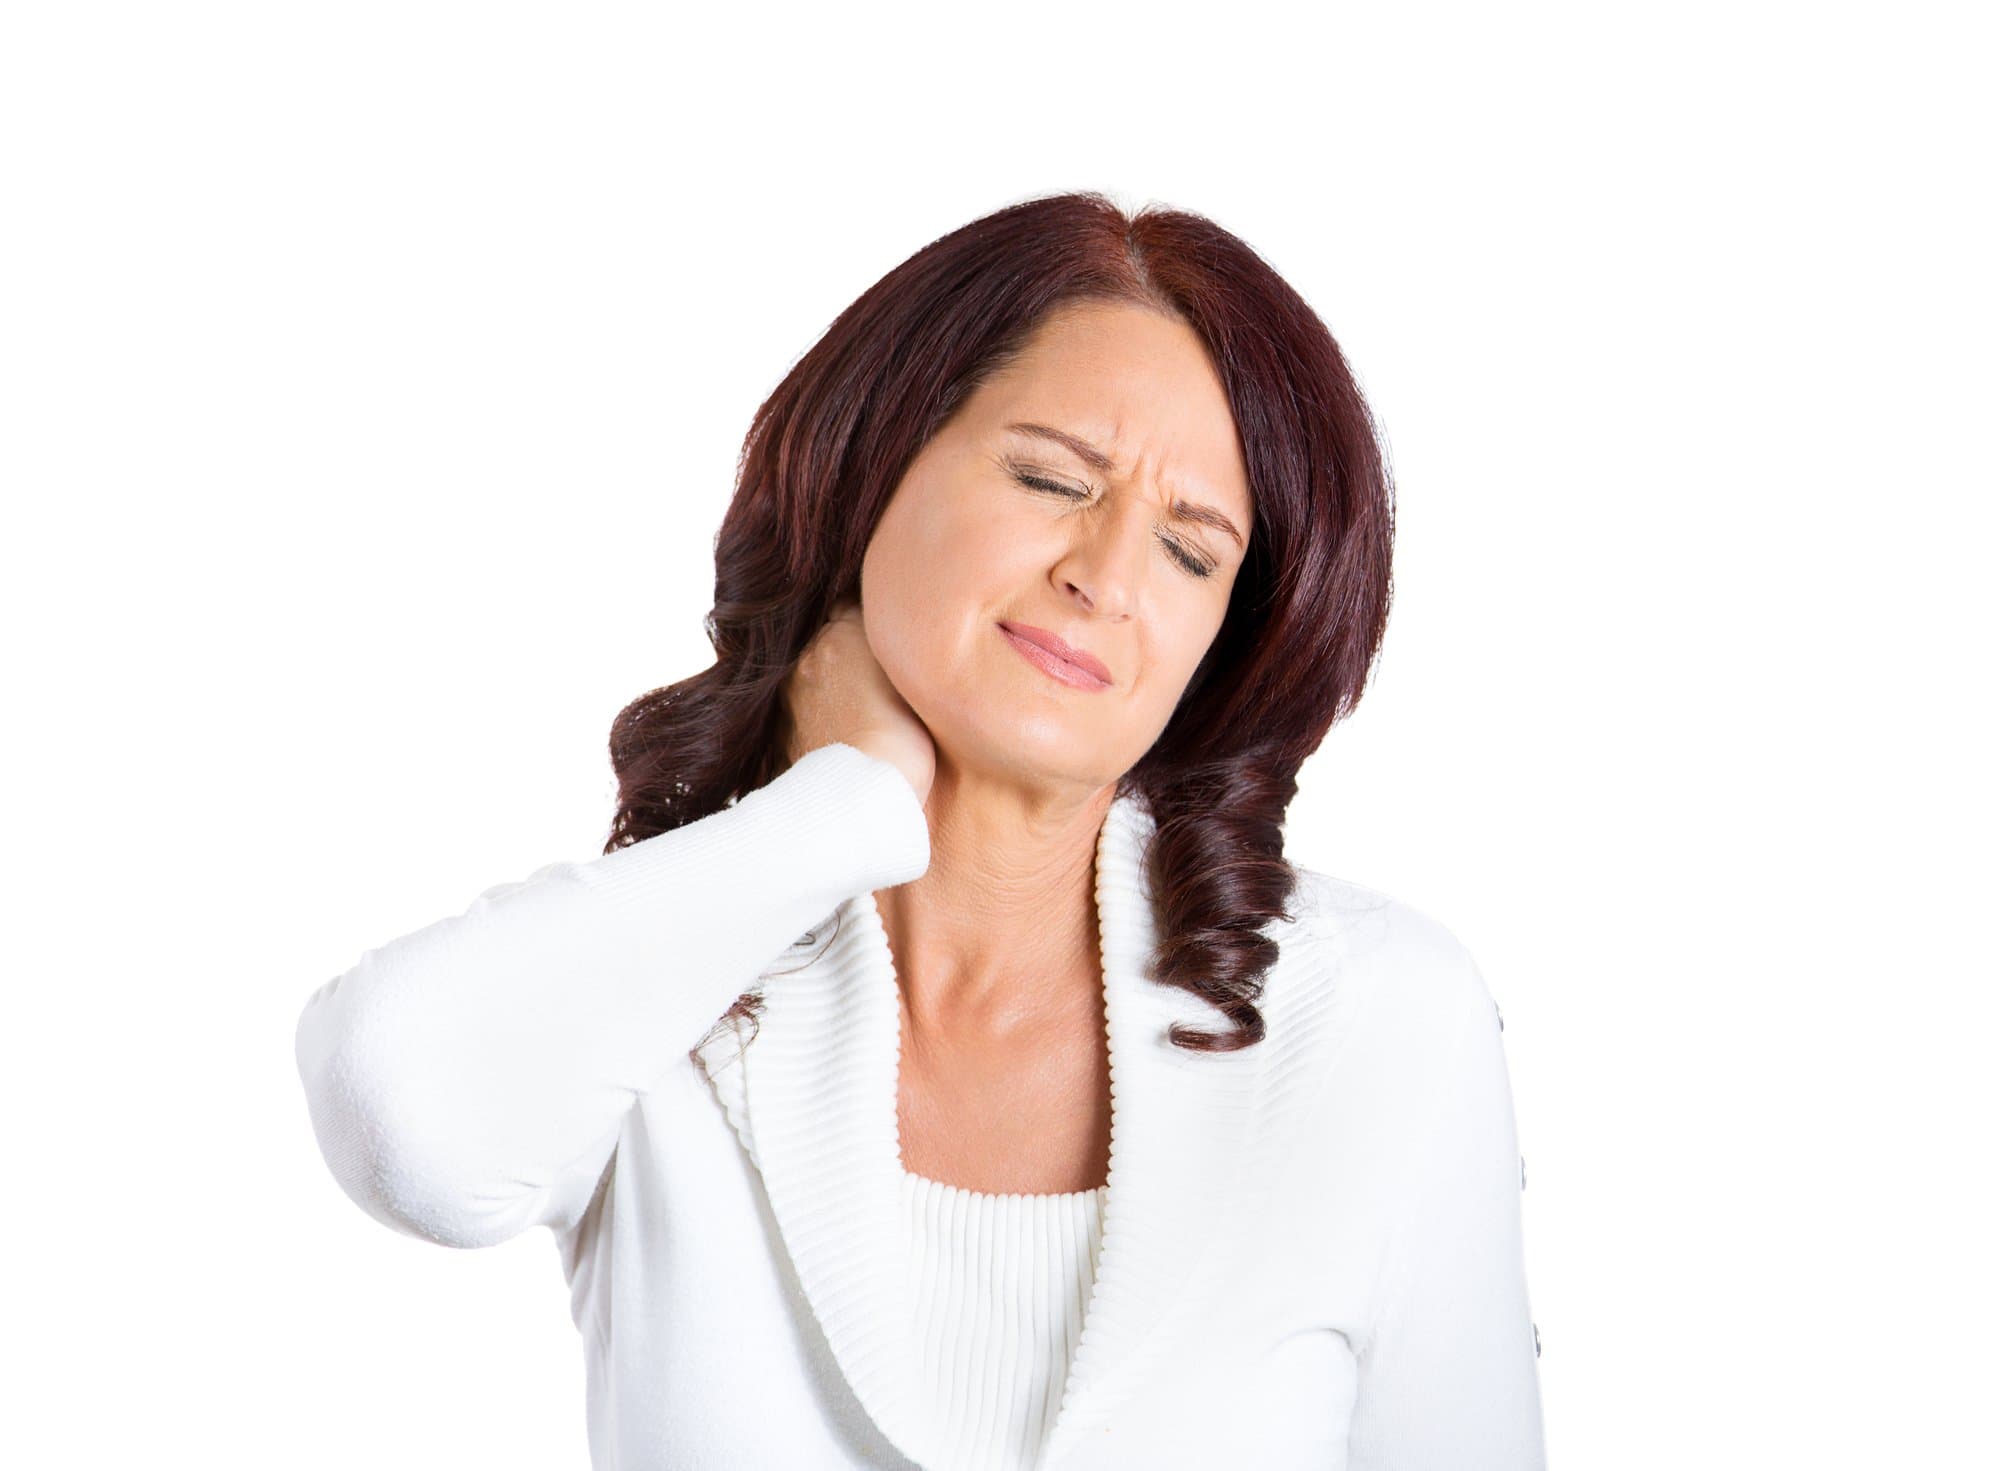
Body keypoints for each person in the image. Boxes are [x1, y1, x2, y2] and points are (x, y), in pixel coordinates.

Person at [294, 190, 1547, 1470]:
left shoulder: (1386, 1019)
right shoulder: (667, 984)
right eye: (1051, 477)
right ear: (872, 468)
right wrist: (841, 808)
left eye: (1187, 550)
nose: (1105, 575)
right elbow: (395, 1099)